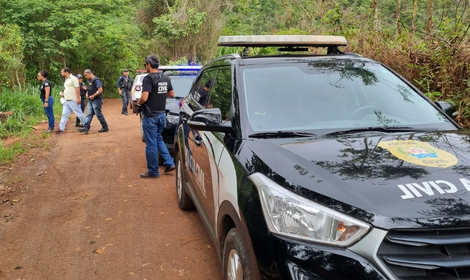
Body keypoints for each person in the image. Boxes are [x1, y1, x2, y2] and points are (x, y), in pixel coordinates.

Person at [137, 54, 175, 178]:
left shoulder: (148, 78)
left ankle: (153, 171)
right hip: (161, 115)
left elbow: (144, 97)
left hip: (151, 116)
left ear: (149, 64)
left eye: (145, 64)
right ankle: (169, 162)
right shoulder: (166, 78)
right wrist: (160, 95)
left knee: (151, 144)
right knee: (158, 138)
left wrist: (139, 103)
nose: (145, 67)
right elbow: (172, 94)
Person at [77, 69, 109, 134]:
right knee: (89, 114)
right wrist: (87, 93)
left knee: (98, 114)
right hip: (90, 100)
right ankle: (86, 128)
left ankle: (105, 127)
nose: (85, 77)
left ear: (90, 73)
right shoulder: (88, 81)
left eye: (86, 75)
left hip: (97, 100)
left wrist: (94, 95)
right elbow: (89, 88)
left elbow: (100, 90)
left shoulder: (96, 81)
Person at [57, 67, 87, 133]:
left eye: (62, 72)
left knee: (79, 113)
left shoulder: (73, 78)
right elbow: (68, 89)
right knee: (64, 114)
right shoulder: (66, 79)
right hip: (67, 100)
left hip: (73, 100)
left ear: (66, 72)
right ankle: (61, 128)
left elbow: (77, 88)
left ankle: (86, 126)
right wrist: (64, 93)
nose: (61, 73)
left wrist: (78, 98)